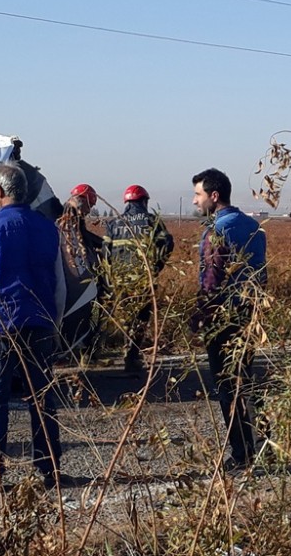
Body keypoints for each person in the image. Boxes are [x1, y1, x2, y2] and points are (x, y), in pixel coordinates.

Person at [0, 162, 67, 493]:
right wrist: (54, 324)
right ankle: (49, 469)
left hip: (1, 327)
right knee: (42, 398)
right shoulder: (48, 229)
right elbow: (59, 284)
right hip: (40, 324)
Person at [189, 168, 267, 472]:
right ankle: (264, 443)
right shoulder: (254, 226)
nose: (196, 201)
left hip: (224, 317)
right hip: (249, 314)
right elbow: (262, 273)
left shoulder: (218, 231)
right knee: (245, 378)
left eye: (198, 194)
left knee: (226, 386)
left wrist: (199, 316)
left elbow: (212, 279)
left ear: (214, 196)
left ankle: (241, 453)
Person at [104, 184, 175, 373]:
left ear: (126, 202)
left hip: (121, 282)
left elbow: (105, 254)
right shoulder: (152, 221)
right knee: (141, 319)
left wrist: (112, 277)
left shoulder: (114, 223)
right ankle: (132, 357)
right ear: (144, 202)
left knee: (127, 319)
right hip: (144, 281)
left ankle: (128, 354)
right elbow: (167, 244)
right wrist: (156, 267)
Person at [57, 183, 105, 355]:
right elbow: (81, 240)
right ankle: (82, 344)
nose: (87, 211)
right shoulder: (69, 217)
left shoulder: (67, 215)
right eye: (88, 207)